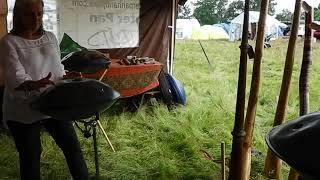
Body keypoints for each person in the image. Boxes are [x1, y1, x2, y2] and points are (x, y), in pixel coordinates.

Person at [0, 0, 89, 179]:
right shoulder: (9, 42)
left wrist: (66, 76)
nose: (36, 18)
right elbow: (14, 77)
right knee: (31, 155)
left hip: (53, 103)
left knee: (72, 147)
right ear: (18, 15)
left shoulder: (50, 37)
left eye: (39, 13)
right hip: (23, 109)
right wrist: (34, 84)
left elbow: (57, 69)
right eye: (29, 14)